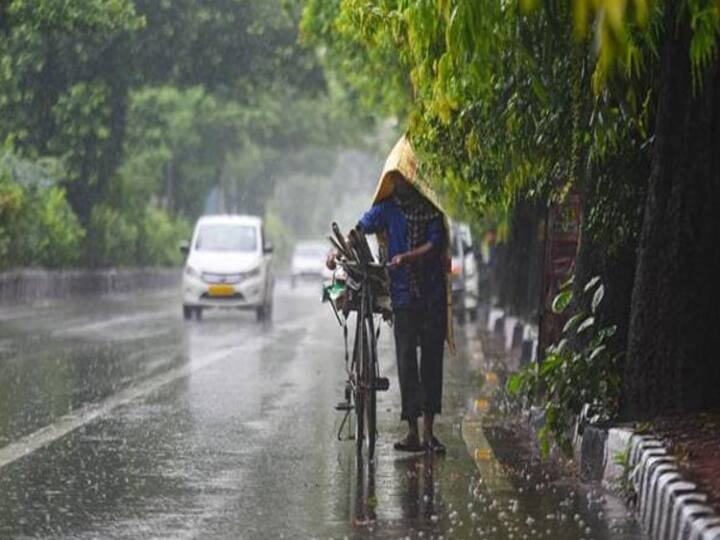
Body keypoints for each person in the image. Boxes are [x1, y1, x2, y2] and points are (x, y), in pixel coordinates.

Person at [327, 171, 448, 453]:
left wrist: (408, 257)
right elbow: (362, 225)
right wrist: (341, 248)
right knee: (406, 361)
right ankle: (413, 432)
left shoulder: (432, 211)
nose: (397, 185)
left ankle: (429, 431)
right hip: (403, 296)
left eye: (402, 180)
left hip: (431, 296)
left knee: (431, 361)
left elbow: (435, 244)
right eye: (395, 180)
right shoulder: (388, 209)